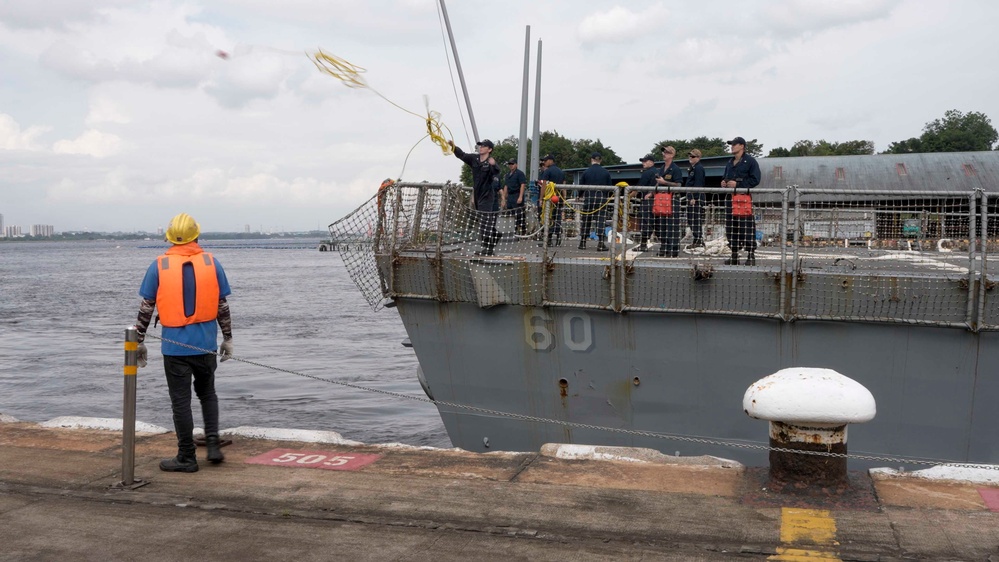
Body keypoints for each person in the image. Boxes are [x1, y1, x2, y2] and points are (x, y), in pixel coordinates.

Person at [135, 212, 233, 473]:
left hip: (174, 348)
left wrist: (139, 341)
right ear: (197, 235)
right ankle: (212, 444)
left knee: (180, 401)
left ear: (170, 239)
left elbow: (146, 307)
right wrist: (228, 338)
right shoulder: (212, 263)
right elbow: (222, 306)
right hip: (205, 345)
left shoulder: (158, 265)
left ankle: (187, 457)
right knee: (207, 393)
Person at [450, 139, 501, 256]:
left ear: (489, 149)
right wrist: (453, 147)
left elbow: (496, 172)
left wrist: (494, 165)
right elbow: (462, 155)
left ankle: (488, 248)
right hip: (478, 194)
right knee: (482, 219)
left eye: (484, 146)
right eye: (480, 146)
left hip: (487, 194)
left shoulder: (491, 162)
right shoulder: (474, 159)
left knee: (485, 221)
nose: (481, 147)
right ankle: (496, 235)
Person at [721, 136, 762, 265]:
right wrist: (724, 182)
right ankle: (734, 254)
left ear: (742, 146)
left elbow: (755, 179)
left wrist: (738, 185)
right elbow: (726, 177)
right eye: (731, 144)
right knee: (731, 227)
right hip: (730, 199)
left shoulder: (750, 161)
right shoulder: (729, 162)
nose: (732, 146)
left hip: (743, 199)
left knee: (747, 227)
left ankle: (751, 255)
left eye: (734, 144)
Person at [578, 152, 612, 251]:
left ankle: (582, 242)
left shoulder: (586, 172)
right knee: (601, 220)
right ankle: (601, 243)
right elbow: (609, 187)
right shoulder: (605, 172)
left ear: (591, 159)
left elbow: (581, 187)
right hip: (601, 199)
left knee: (586, 220)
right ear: (600, 160)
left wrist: (580, 196)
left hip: (589, 198)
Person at [653, 145, 683, 257]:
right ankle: (664, 247)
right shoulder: (661, 168)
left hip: (672, 201)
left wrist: (665, 182)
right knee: (662, 225)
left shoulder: (675, 169)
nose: (664, 154)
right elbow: (658, 182)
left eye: (667, 152)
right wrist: (651, 193)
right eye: (664, 152)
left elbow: (679, 184)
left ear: (672, 155)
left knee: (672, 226)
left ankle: (673, 249)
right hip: (662, 200)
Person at [538, 154, 566, 246]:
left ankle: (548, 240)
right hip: (558, 198)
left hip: (549, 198)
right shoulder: (561, 172)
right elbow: (564, 187)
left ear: (550, 160)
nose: (544, 163)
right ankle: (558, 238)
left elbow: (544, 186)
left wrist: (541, 199)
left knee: (548, 217)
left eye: (545, 161)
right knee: (557, 217)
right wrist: (564, 199)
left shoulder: (547, 171)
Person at [685, 148, 707, 248]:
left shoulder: (698, 168)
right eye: (690, 156)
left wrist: (695, 197)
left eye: (693, 156)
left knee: (695, 219)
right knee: (691, 219)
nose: (690, 158)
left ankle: (698, 239)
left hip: (695, 198)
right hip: (691, 197)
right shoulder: (692, 168)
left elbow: (698, 183)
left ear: (698, 158)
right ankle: (697, 238)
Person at [637, 154, 658, 252]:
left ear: (651, 162)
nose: (643, 163)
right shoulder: (658, 172)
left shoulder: (647, 173)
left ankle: (643, 245)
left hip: (648, 201)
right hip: (658, 201)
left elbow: (639, 188)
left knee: (645, 222)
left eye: (645, 161)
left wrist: (628, 196)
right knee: (655, 223)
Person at [504, 158, 528, 236]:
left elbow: (522, 185)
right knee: (511, 213)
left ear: (516, 164)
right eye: (510, 164)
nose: (511, 165)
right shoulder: (507, 175)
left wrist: (520, 196)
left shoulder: (520, 173)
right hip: (510, 196)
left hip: (517, 194)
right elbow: (506, 186)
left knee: (519, 214)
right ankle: (514, 230)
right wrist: (504, 198)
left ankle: (523, 230)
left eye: (512, 164)